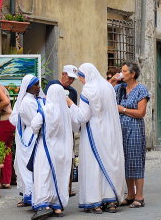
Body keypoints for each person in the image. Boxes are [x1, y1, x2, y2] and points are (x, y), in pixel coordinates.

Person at [67, 63, 125, 214]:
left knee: (93, 167)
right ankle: (111, 200)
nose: (81, 81)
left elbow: (83, 116)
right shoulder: (108, 87)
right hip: (109, 132)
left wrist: (71, 104)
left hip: (93, 133)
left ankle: (95, 202)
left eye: (81, 77)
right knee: (109, 163)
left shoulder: (88, 89)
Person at [30, 84, 76, 219]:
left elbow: (34, 125)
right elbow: (74, 126)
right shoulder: (66, 111)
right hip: (62, 150)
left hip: (46, 147)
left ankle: (44, 204)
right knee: (60, 176)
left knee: (44, 175)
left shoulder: (46, 109)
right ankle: (57, 207)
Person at [112, 61, 150, 209]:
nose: (122, 73)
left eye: (124, 71)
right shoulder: (120, 88)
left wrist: (123, 110)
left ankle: (139, 196)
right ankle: (130, 195)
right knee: (125, 160)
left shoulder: (141, 89)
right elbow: (104, 90)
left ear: (132, 74)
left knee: (136, 161)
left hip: (135, 129)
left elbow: (141, 113)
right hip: (121, 129)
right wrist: (114, 79)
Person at [9, 74, 45, 207]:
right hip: (31, 134)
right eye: (36, 85)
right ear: (29, 87)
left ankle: (32, 193)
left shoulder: (34, 99)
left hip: (33, 133)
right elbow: (34, 120)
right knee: (29, 165)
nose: (38, 87)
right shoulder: (27, 101)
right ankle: (30, 194)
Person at [45, 64, 78, 197]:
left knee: (68, 158)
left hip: (68, 128)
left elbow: (73, 110)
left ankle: (68, 188)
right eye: (69, 77)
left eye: (72, 79)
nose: (70, 81)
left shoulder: (73, 92)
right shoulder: (52, 85)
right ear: (63, 74)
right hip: (54, 127)